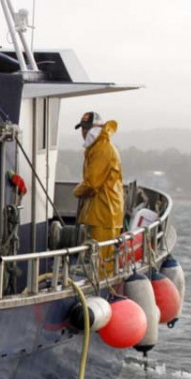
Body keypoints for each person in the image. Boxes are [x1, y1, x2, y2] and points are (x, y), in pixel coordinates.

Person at [73, 111, 124, 275]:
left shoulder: (102, 149)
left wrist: (77, 191)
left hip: (105, 212)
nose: (84, 132)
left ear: (97, 128)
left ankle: (103, 285)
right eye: (82, 129)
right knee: (97, 254)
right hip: (99, 212)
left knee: (103, 262)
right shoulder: (96, 148)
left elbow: (92, 183)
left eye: (87, 128)